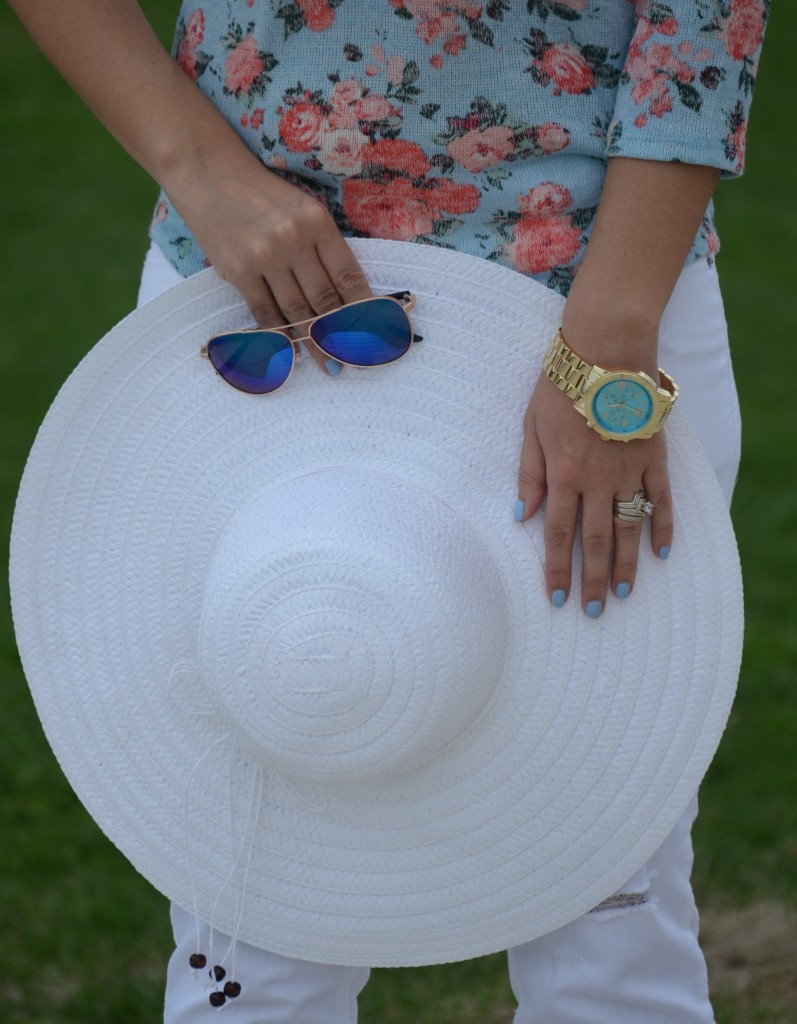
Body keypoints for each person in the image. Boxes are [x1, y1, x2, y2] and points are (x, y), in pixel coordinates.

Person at [8, 0, 768, 1020]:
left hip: (594, 301)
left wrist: (610, 338)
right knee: (256, 925)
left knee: (607, 914)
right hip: (248, 293)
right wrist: (198, 172)